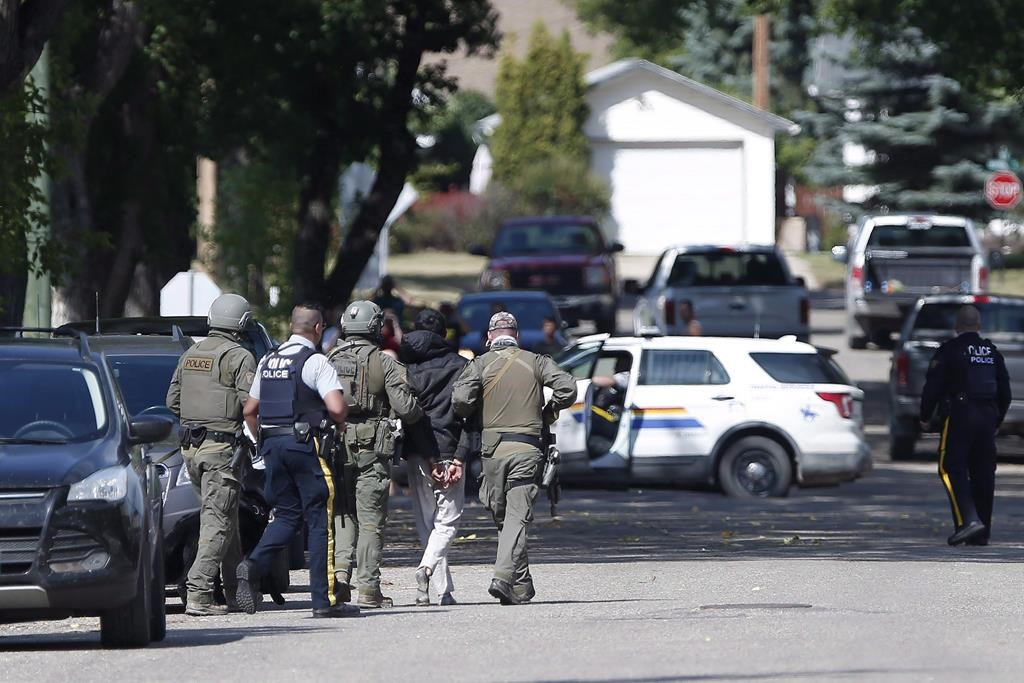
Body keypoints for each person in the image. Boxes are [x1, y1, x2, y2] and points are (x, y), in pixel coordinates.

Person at [236, 304, 359, 618]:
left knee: (288, 516)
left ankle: (253, 565)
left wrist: (262, 441)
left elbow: (250, 410)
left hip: (272, 446)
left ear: (292, 326)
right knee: (321, 520)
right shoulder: (315, 361)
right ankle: (325, 600)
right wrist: (341, 418)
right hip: (306, 445)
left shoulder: (268, 360)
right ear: (318, 329)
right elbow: (337, 407)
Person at [452, 311, 577, 605]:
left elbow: (459, 402)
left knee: (508, 516)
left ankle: (502, 577)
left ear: (489, 337)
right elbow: (568, 387)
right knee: (513, 519)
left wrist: (476, 404)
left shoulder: (479, 364)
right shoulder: (536, 361)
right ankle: (521, 585)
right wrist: (548, 412)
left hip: (493, 453)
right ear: (517, 336)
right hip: (527, 449)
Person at [327, 300, 423, 608]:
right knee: (370, 520)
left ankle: (339, 579)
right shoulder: (384, 362)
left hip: (336, 444)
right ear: (375, 327)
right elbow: (407, 410)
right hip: (372, 447)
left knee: (342, 514)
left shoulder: (329, 359)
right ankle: (368, 588)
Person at [166, 293, 256, 617]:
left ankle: (233, 592)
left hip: (191, 450)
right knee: (217, 521)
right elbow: (251, 405)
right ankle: (199, 593)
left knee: (224, 516)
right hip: (220, 451)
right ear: (242, 322)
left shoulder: (191, 353)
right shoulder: (239, 356)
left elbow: (171, 401)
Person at [920, 305, 1011, 546]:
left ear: (957, 326)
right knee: (983, 472)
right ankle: (982, 532)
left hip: (961, 413)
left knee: (950, 467)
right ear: (978, 326)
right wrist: (997, 420)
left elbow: (933, 386)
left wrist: (925, 415)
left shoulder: (950, 350)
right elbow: (1006, 392)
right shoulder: (992, 352)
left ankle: (969, 521)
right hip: (988, 414)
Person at [400, 309, 471, 607]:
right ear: (444, 335)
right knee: (448, 521)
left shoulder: (407, 371)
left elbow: (411, 418)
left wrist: (429, 458)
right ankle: (426, 571)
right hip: (451, 450)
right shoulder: (463, 367)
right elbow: (470, 418)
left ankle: (441, 591)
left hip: (419, 454)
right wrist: (459, 458)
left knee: (427, 522)